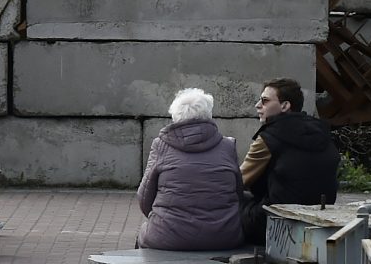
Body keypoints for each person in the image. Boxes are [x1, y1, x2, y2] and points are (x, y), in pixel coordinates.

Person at [139, 87, 244, 251]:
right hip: (223, 236)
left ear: (175, 116)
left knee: (143, 233)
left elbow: (145, 198)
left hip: (167, 236)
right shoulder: (228, 146)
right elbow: (238, 192)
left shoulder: (160, 145)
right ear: (208, 115)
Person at [240, 77, 338, 245]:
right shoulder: (321, 133)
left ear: (285, 106)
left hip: (277, 222)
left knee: (233, 198)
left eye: (264, 101)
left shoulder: (269, 138)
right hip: (320, 218)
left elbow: (239, 181)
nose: (258, 105)